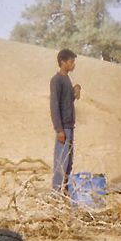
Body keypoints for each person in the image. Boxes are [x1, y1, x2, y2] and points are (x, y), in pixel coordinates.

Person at [49, 48, 79, 193]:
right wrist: (59, 129)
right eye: (71, 62)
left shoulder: (67, 79)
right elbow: (55, 105)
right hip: (63, 128)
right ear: (63, 62)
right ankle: (55, 194)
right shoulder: (57, 80)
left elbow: (67, 100)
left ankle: (64, 191)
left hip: (70, 126)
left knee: (68, 162)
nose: (73, 65)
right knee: (61, 162)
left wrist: (76, 90)